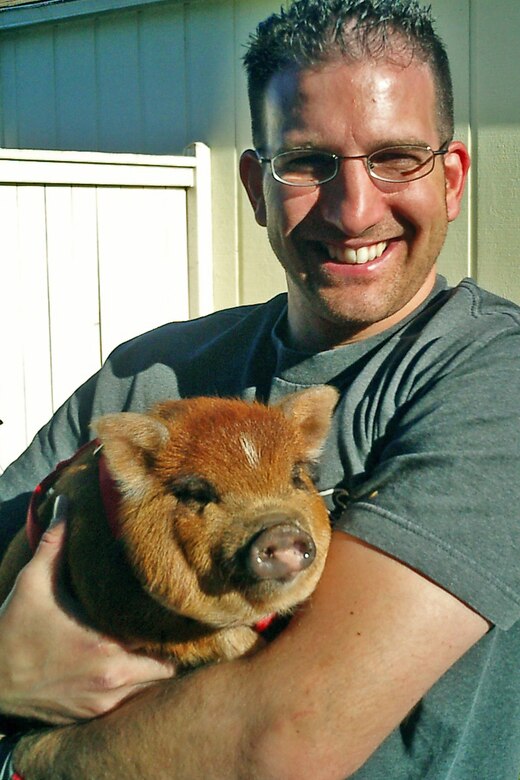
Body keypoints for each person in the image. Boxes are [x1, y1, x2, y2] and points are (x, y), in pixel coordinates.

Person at [0, 0, 519, 777]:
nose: (355, 211)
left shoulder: (491, 378)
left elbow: (290, 736)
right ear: (254, 185)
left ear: (450, 180)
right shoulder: (144, 376)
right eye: (307, 161)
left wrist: (27, 758)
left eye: (396, 158)